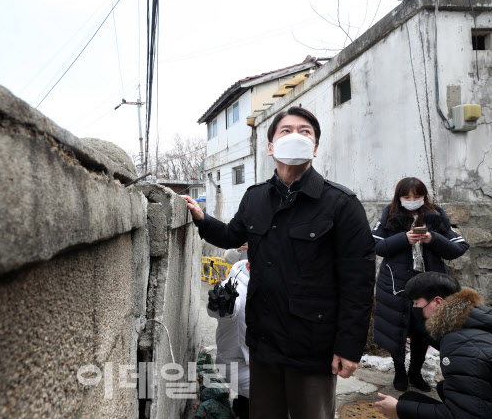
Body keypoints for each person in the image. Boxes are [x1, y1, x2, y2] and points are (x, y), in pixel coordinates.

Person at [182, 106, 376, 419]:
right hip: (263, 343)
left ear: (314, 147)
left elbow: (359, 282)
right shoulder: (255, 197)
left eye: (305, 131)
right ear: (271, 146)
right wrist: (203, 219)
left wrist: (349, 346)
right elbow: (232, 235)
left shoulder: (340, 204)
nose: (296, 136)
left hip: (313, 347)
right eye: (286, 131)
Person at [372, 178, 469, 392]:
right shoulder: (390, 214)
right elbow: (376, 245)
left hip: (429, 289)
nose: (412, 201)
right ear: (399, 197)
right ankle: (399, 372)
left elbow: (459, 248)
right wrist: (403, 239)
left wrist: (432, 238)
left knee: (422, 332)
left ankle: (415, 373)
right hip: (397, 285)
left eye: (417, 196)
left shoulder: (436, 215)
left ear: (424, 195)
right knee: (398, 329)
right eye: (407, 197)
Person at [375, 272, 492, 418]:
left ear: (438, 302)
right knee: (444, 388)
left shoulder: (459, 345)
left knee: (407, 401)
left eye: (416, 303)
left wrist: (399, 409)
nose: (414, 308)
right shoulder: (478, 318)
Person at [207, 259, 251, 419]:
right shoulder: (236, 285)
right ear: (249, 266)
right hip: (237, 365)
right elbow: (227, 309)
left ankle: (242, 407)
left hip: (255, 363)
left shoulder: (268, 282)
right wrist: (222, 306)